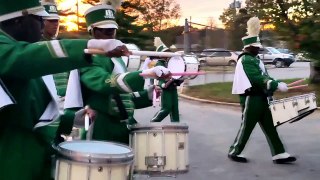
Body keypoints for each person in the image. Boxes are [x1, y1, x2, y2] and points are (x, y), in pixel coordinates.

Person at [0, 0, 131, 179]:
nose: (42, 26)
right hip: (10, 162)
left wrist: (71, 119)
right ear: (18, 21)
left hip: (34, 160)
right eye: (39, 19)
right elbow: (21, 58)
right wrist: (89, 47)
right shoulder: (15, 53)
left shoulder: (25, 53)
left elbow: (32, 113)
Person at [64, 2, 171, 144]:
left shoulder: (117, 59)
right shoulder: (88, 59)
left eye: (112, 30)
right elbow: (105, 83)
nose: (110, 34)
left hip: (123, 127)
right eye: (105, 30)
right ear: (93, 31)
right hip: (100, 128)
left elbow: (124, 99)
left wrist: (150, 94)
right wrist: (144, 74)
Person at [229, 17, 296, 164]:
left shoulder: (255, 59)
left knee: (270, 126)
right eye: (256, 46)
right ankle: (234, 151)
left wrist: (278, 83)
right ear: (249, 47)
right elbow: (257, 79)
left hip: (261, 97)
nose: (259, 48)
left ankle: (279, 153)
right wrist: (274, 85)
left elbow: (265, 77)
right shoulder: (246, 60)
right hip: (251, 98)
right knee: (246, 127)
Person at [150, 37, 184, 123]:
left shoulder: (170, 62)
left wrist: (179, 78)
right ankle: (153, 122)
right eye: (165, 52)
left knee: (175, 108)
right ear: (161, 54)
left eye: (168, 52)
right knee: (166, 108)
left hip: (173, 87)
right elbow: (159, 77)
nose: (168, 53)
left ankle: (176, 126)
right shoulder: (159, 63)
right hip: (166, 88)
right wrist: (162, 84)